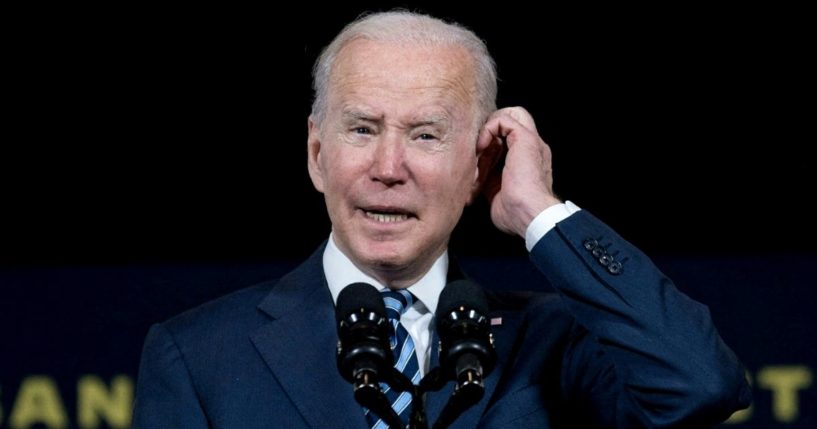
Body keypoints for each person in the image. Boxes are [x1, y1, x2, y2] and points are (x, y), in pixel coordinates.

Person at [132, 11, 751, 428]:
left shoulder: (555, 346)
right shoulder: (198, 357)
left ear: (480, 166)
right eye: (362, 129)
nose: (389, 166)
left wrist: (540, 214)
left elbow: (701, 386)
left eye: (425, 135)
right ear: (317, 154)